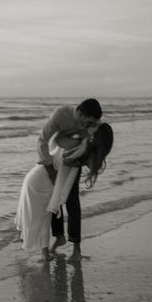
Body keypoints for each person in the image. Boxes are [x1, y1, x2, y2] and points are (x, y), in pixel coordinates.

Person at [14, 122, 113, 261]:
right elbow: (63, 153)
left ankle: (63, 249)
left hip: (55, 175)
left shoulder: (87, 146)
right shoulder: (83, 143)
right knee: (49, 208)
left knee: (56, 209)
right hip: (50, 176)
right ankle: (55, 243)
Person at [37, 98, 103, 261]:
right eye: (87, 122)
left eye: (93, 123)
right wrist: (50, 170)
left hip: (73, 163)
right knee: (53, 201)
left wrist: (92, 163)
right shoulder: (61, 115)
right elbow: (42, 141)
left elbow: (93, 148)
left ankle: (76, 250)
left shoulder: (91, 124)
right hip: (53, 161)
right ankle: (59, 236)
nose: (89, 126)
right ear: (79, 113)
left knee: (72, 202)